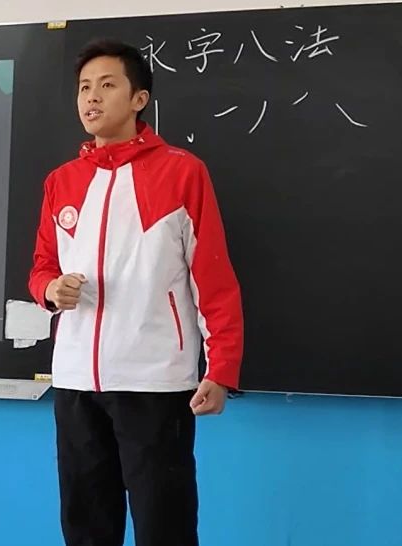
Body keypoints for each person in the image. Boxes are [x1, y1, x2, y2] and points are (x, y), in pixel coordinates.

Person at [28, 39, 244, 546]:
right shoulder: (61, 181)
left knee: (164, 525)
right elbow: (41, 268)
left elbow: (212, 278)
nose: (92, 97)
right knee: (85, 525)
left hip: (155, 382)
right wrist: (50, 289)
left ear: (139, 99)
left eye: (107, 85)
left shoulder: (181, 172)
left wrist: (221, 368)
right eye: (84, 87)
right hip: (76, 382)